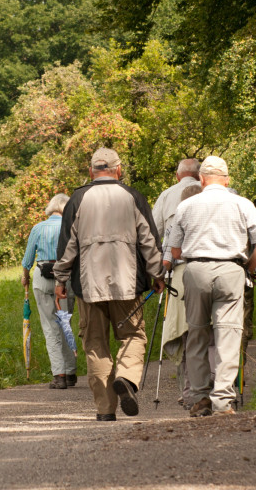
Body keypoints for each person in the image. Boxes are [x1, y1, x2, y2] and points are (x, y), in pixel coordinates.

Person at [54, 148, 166, 421]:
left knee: (95, 343)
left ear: (91, 171)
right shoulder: (133, 197)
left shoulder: (77, 199)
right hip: (127, 283)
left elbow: (67, 246)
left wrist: (60, 279)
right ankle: (127, 378)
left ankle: (105, 410)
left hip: (87, 286)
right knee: (132, 335)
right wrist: (158, 274)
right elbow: (148, 241)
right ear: (118, 170)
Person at [166, 155, 256, 416]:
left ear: (201, 179)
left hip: (196, 270)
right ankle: (223, 400)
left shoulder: (187, 206)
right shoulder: (242, 204)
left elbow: (175, 250)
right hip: (231, 270)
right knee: (228, 335)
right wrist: (247, 267)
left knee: (197, 334)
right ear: (227, 180)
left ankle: (200, 397)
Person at [21, 193, 77, 390]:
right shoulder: (71, 227)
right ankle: (70, 372)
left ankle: (59, 375)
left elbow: (27, 260)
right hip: (67, 279)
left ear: (51, 207)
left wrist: (25, 276)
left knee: (50, 326)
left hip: (43, 278)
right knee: (65, 323)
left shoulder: (38, 228)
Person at [160, 183, 207, 409]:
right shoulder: (213, 219)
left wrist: (160, 275)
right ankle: (217, 392)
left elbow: (167, 258)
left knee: (188, 337)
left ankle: (190, 394)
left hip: (182, 280)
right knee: (212, 337)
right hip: (213, 275)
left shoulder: (176, 222)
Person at [151, 158, 201, 239]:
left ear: (177, 176)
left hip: (172, 248)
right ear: (199, 175)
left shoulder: (165, 195)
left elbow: (154, 231)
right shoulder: (208, 190)